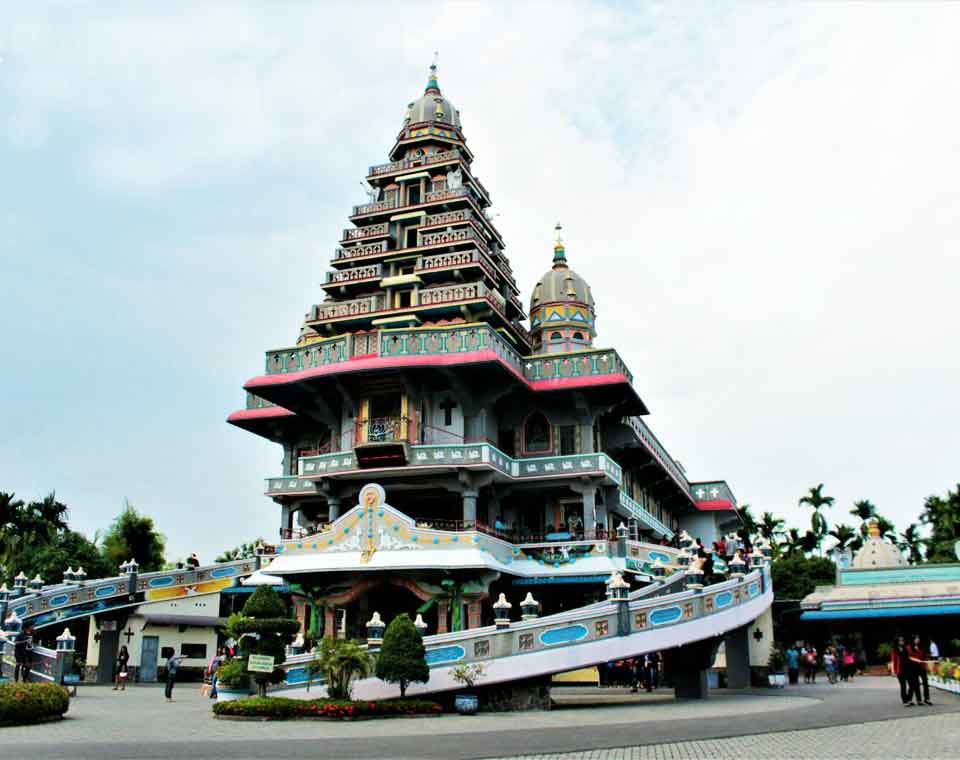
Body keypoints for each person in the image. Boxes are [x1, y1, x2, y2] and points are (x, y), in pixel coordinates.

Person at [891, 636, 919, 706]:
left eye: (902, 640)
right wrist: (893, 671)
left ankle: (909, 699)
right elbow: (893, 660)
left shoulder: (905, 648)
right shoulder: (894, 650)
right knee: (903, 686)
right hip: (900, 670)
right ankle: (905, 701)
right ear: (897, 642)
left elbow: (910, 656)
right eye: (900, 640)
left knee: (912, 685)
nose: (902, 642)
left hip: (908, 669)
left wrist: (917, 657)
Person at [908, 635, 932, 705]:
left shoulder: (921, 647)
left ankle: (927, 699)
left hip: (922, 667)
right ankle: (919, 700)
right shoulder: (908, 647)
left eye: (918, 638)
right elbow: (907, 657)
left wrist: (926, 663)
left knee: (925, 683)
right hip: (913, 668)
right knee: (916, 684)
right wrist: (915, 659)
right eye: (916, 639)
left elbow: (924, 656)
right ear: (913, 640)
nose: (917, 640)